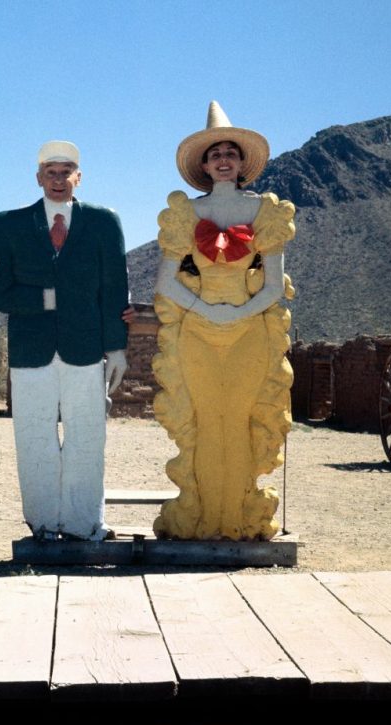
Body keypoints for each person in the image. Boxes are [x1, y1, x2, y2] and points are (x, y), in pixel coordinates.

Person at [152, 102, 296, 541]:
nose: (223, 160)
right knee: (203, 420)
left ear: (241, 162)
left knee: (239, 418)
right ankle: (198, 516)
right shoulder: (186, 214)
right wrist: (207, 310)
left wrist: (237, 313)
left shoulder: (265, 212)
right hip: (197, 331)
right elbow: (166, 281)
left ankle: (240, 517)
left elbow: (274, 286)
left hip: (249, 331)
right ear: (204, 165)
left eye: (230, 153)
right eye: (215, 154)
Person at [0, 140, 130, 541]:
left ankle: (85, 524)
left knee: (88, 435)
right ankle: (44, 524)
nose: (58, 179)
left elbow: (114, 288)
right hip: (30, 350)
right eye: (51, 172)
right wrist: (51, 299)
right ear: (38, 178)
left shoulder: (104, 222)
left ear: (79, 177)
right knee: (34, 435)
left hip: (86, 348)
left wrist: (116, 347)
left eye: (66, 172)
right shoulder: (7, 224)